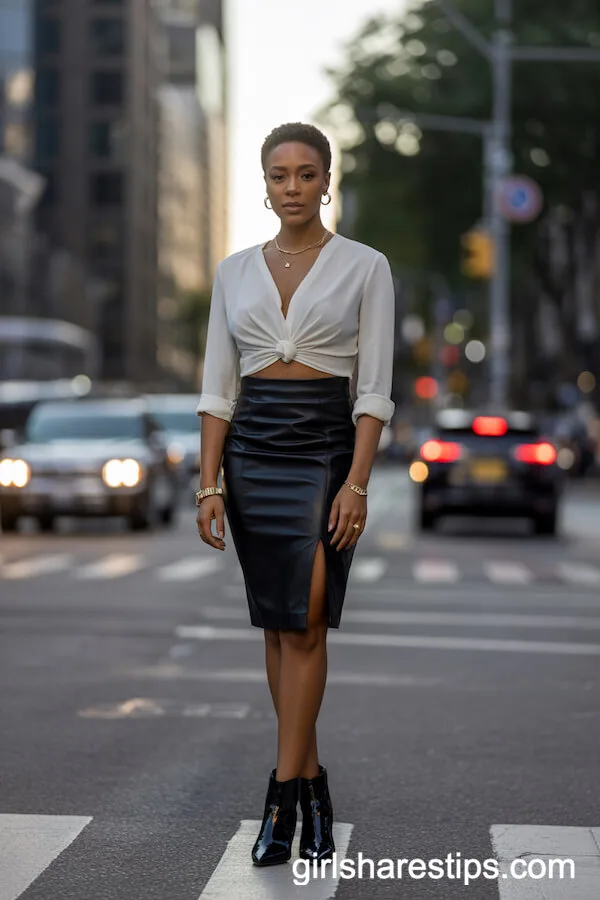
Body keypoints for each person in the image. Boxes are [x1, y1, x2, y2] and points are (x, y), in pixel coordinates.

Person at [195, 122, 395, 867]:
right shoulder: (234, 272)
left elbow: (373, 391)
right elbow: (217, 390)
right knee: (279, 627)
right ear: (265, 183)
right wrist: (208, 484)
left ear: (326, 180)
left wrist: (356, 482)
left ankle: (280, 794)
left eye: (306, 174)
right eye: (279, 175)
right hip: (252, 452)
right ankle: (312, 785)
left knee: (306, 621)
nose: (292, 188)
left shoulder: (365, 266)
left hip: (323, 447)